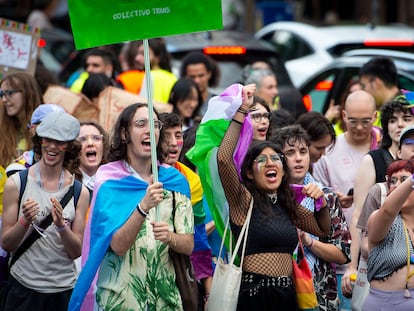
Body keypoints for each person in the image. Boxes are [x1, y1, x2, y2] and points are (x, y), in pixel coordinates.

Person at [69, 103, 194, 311]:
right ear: (125, 134)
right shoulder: (110, 180)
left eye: (154, 125)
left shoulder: (175, 181)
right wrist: (143, 207)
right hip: (120, 300)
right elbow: (117, 245)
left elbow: (189, 244)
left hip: (165, 301)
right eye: (140, 124)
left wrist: (170, 237)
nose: (149, 130)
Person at [216, 83, 330, 309]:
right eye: (262, 160)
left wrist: (322, 203)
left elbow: (321, 229)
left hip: (288, 294)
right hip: (254, 294)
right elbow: (223, 159)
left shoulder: (287, 203)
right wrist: (241, 112)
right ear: (249, 172)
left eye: (276, 158)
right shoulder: (243, 200)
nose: (271, 163)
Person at [1, 111, 90, 310]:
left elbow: (76, 252)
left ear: (69, 146)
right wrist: (24, 221)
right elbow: (6, 244)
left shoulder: (79, 192)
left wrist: (61, 227)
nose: (52, 146)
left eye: (60, 141)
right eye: (47, 139)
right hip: (22, 288)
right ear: (39, 141)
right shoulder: (17, 183)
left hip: (62, 291)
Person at [272, 124, 351, 310]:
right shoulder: (269, 197)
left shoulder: (326, 196)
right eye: (290, 153)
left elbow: (343, 254)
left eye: (303, 151)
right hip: (279, 291)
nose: (298, 158)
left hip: (320, 292)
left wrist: (309, 242)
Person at [343, 95, 414, 302]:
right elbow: (358, 217)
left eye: (406, 118)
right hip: (381, 276)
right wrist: (353, 265)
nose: (399, 124)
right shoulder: (374, 166)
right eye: (392, 120)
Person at [312, 89, 378, 311]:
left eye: (366, 121)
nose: (359, 127)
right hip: (341, 256)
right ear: (343, 116)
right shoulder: (328, 151)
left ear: (376, 117)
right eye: (353, 120)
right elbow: (317, 200)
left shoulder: (385, 146)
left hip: (378, 252)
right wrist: (333, 201)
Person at [158, 112, 213, 309]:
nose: (174, 143)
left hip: (179, 273)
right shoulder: (141, 177)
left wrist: (208, 291)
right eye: (166, 136)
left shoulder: (193, 182)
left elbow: (198, 239)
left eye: (178, 135)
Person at [363, 159, 414, 310]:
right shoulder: (379, 218)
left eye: (403, 180)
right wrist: (411, 180)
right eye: (393, 181)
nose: (397, 186)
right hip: (384, 305)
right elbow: (387, 211)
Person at [5, 103, 65, 177]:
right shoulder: (18, 170)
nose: (56, 132)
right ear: (33, 129)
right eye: (48, 126)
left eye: (62, 127)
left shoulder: (74, 165)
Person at [0, 72, 43, 169]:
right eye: (1, 94)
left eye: (9, 93)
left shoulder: (45, 130)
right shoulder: (3, 127)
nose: (3, 99)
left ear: (28, 93)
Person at [136, 38, 177, 104]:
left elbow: (142, 104)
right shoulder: (173, 77)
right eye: (138, 53)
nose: (137, 58)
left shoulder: (148, 76)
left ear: (158, 57)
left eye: (144, 54)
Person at [180, 51, 220, 116]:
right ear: (185, 77)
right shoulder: (179, 105)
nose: (197, 81)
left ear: (209, 74)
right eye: (192, 77)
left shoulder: (218, 103)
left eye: (201, 75)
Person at [77, 121, 108, 194]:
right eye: (83, 139)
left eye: (96, 138)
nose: (90, 143)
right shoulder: (67, 184)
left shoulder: (116, 183)